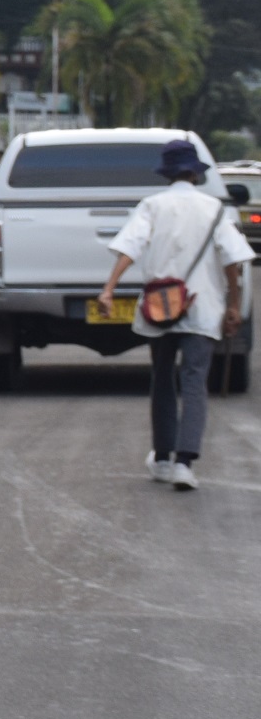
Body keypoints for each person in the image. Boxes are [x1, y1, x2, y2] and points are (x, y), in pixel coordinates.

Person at [96, 137, 251, 492]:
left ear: (167, 173)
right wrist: (232, 304)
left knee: (162, 379)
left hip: (159, 309)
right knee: (195, 382)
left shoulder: (152, 205)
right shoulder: (215, 209)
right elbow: (234, 261)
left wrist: (109, 288)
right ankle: (184, 463)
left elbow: (128, 248)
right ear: (195, 173)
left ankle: (163, 457)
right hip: (203, 307)